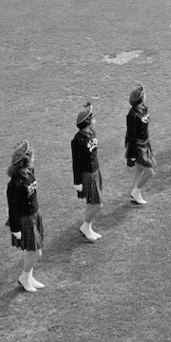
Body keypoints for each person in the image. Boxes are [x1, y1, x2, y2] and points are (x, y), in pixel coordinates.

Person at [6, 140, 45, 292]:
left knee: (34, 251)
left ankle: (29, 277)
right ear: (25, 161)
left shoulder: (30, 172)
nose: (34, 159)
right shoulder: (14, 184)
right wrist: (15, 228)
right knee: (35, 251)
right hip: (25, 219)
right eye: (32, 157)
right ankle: (24, 277)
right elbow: (13, 207)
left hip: (34, 215)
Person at [72, 102, 103, 242]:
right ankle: (85, 227)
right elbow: (76, 162)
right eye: (93, 119)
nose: (95, 121)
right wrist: (77, 182)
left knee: (92, 202)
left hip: (96, 171)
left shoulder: (92, 132)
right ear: (87, 122)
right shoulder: (77, 141)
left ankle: (88, 227)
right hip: (87, 174)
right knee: (98, 205)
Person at [125, 83, 156, 205]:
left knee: (138, 169)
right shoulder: (132, 115)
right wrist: (132, 155)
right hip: (138, 146)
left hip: (145, 143)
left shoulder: (144, 109)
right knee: (149, 172)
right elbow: (131, 136)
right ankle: (136, 192)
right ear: (141, 98)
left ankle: (134, 194)